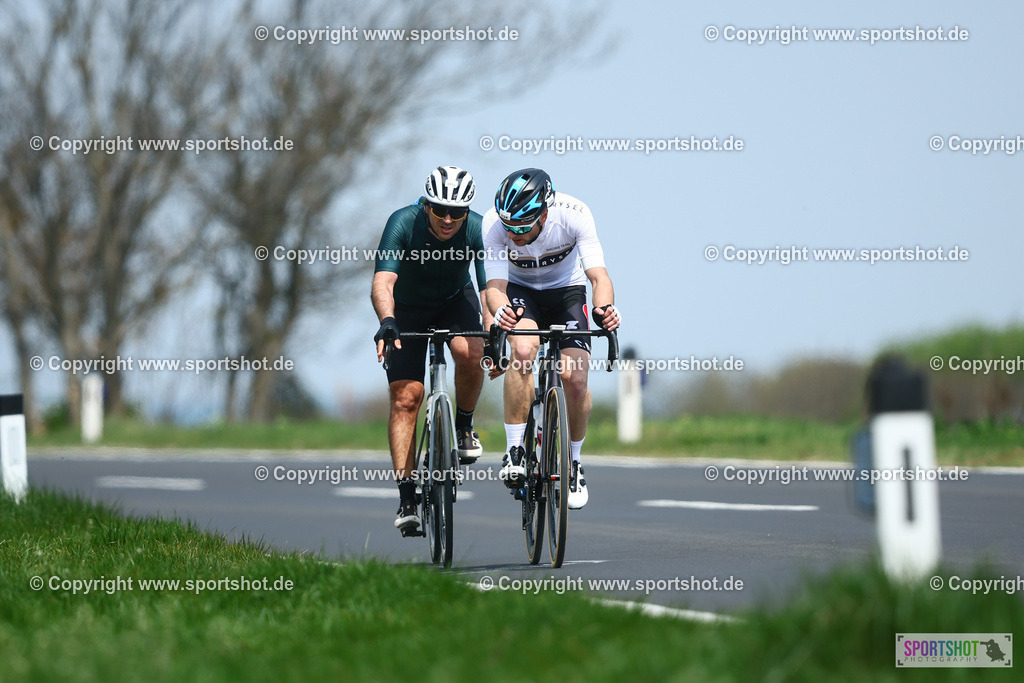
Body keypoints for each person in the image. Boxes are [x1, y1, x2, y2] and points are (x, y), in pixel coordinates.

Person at [482, 168, 620, 510]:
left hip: (566, 293)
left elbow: (598, 276)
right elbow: (495, 289)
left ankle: (573, 463)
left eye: (521, 227)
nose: (512, 234)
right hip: (520, 292)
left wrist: (604, 309)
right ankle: (515, 450)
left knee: (576, 380)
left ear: (544, 213)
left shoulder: (575, 214)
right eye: (508, 227)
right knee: (524, 350)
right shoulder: (493, 224)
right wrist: (501, 314)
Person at [371, 165, 492, 535]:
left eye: (456, 212)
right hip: (407, 308)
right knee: (408, 396)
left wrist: (493, 332)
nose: (447, 219)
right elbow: (383, 280)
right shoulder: (403, 222)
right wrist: (387, 319)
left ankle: (465, 424)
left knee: (471, 353)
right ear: (426, 205)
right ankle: (407, 496)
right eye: (439, 210)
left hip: (456, 300)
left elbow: (489, 291)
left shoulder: (477, 228)